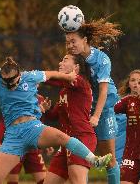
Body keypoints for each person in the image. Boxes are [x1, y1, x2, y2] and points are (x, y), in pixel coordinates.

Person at [0, 29, 112, 184]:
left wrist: (69, 77)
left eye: (13, 82)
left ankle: (94, 159)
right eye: (6, 82)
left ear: (19, 75)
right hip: (13, 135)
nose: (10, 85)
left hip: (33, 128)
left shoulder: (30, 77)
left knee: (62, 139)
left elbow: (52, 74)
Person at [65, 17, 123, 184]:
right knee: (79, 158)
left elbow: (103, 90)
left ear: (84, 40)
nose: (70, 45)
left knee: (109, 158)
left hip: (103, 110)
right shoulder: (73, 59)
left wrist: (96, 115)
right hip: (83, 111)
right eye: (68, 42)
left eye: (73, 41)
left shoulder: (101, 58)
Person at [42, 54, 96, 184]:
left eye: (65, 60)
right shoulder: (64, 90)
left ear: (76, 67)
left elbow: (54, 80)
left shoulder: (80, 82)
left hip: (82, 138)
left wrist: (37, 76)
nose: (60, 63)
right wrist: (47, 109)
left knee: (77, 181)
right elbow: (55, 116)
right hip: (66, 142)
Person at [0, 94, 52, 184]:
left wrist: (45, 141)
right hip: (15, 145)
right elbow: (4, 121)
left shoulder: (40, 99)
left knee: (43, 179)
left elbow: (39, 123)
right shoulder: (14, 97)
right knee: (12, 179)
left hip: (32, 146)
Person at [115, 69, 140, 165]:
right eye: (133, 80)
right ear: (128, 84)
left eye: (139, 80)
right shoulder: (118, 100)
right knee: (119, 175)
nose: (136, 83)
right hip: (119, 144)